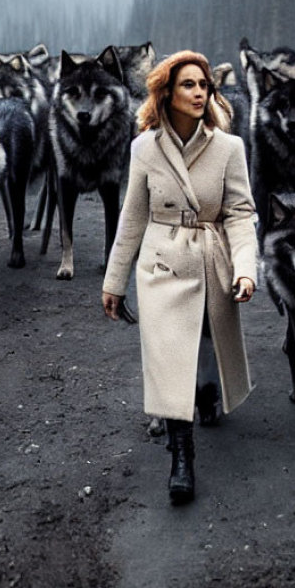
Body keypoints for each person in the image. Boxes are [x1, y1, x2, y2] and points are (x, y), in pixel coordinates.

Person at [102, 50, 259, 505]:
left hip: (211, 260)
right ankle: (182, 457)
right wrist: (114, 281)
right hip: (162, 264)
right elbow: (132, 218)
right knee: (169, 354)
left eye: (204, 85)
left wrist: (246, 269)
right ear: (166, 92)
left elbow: (240, 214)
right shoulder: (144, 149)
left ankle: (206, 393)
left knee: (205, 340)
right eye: (188, 84)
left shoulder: (229, 149)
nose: (198, 92)